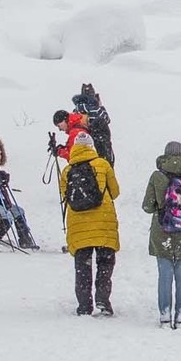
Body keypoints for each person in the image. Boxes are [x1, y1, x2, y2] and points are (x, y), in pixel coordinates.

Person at [141, 140, 181, 328]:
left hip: (162, 234)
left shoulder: (157, 176)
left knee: (165, 276)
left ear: (165, 155)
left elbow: (147, 206)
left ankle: (164, 315)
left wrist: (161, 206)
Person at [59, 128, 122, 315]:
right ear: (92, 147)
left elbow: (65, 195)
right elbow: (116, 191)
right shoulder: (102, 164)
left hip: (78, 226)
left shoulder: (67, 170)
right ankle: (102, 299)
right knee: (104, 264)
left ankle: (84, 306)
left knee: (82, 268)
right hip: (104, 224)